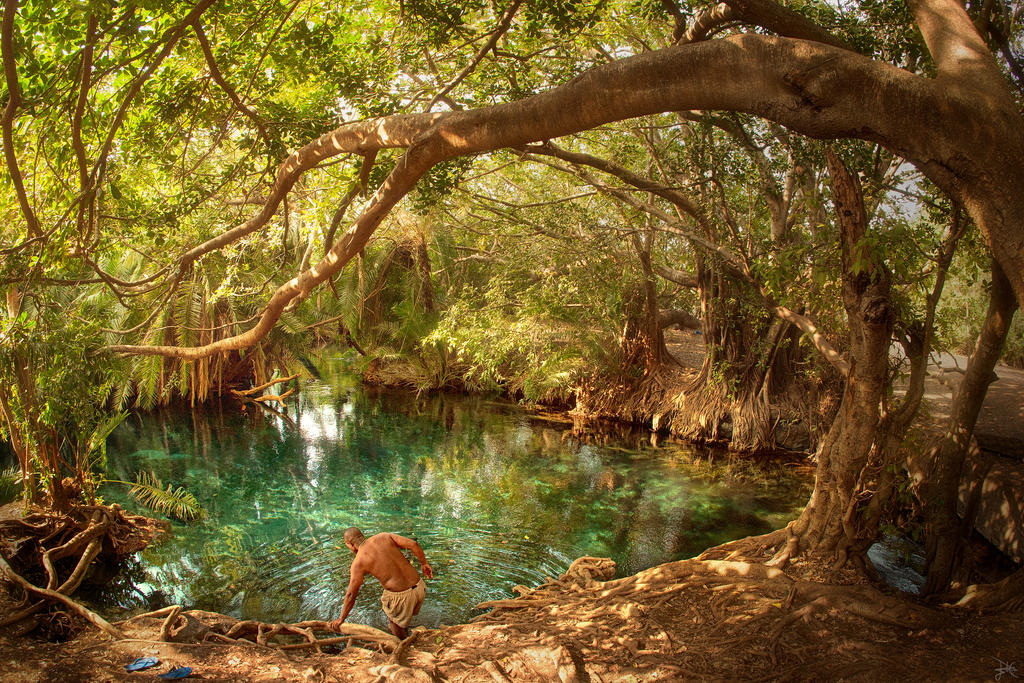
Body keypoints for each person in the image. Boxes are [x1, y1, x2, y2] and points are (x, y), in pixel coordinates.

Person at [329, 527, 433, 639]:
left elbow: (351, 594)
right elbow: (413, 544)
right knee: (396, 610)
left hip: (402, 596)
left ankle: (404, 643)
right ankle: (404, 626)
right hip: (420, 587)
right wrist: (424, 563)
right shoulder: (384, 536)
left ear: (349, 544)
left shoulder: (358, 562)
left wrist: (341, 619)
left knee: (394, 622)